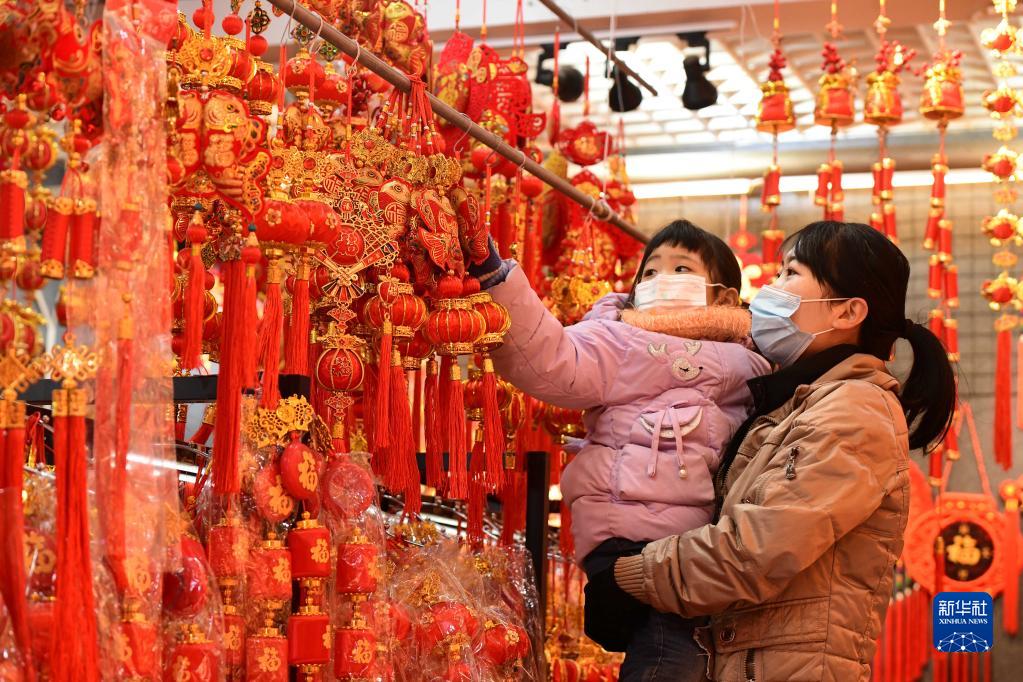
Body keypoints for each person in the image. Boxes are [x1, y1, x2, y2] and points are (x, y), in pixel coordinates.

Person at [608, 220, 956, 681]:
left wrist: (629, 576)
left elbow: (755, 551)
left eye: (790, 273)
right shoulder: (795, 402)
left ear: (848, 312)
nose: (769, 289)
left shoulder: (854, 410)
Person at [471, 220, 770, 680]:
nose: (659, 280)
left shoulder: (752, 361)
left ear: (727, 298)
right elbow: (551, 360)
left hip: (701, 548)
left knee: (698, 658)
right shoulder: (622, 340)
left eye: (681, 269)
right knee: (671, 657)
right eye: (649, 272)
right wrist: (498, 278)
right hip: (636, 538)